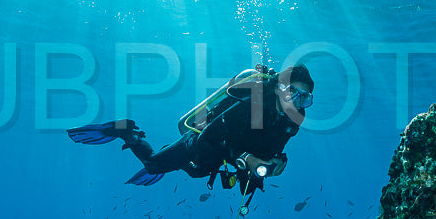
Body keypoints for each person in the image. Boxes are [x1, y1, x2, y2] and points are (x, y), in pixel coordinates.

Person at [68, 63, 314, 192]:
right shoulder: (254, 101)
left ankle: (173, 156)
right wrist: (247, 159)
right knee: (154, 165)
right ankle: (126, 131)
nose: (298, 102)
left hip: (226, 154)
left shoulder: (294, 119)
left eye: (305, 98)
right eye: (293, 92)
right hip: (202, 139)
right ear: (279, 88)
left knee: (197, 172)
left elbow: (274, 146)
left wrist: (278, 160)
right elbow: (215, 131)